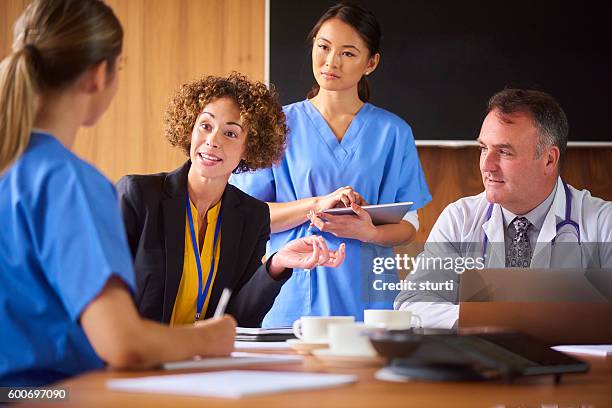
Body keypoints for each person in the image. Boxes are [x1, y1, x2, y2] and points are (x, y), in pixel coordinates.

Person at [0, 0, 235, 387]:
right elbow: (122, 343)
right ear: (98, 75)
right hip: (45, 394)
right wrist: (208, 338)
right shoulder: (68, 182)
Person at [230, 3, 431, 326]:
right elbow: (249, 217)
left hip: (370, 300)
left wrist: (368, 233)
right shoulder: (275, 125)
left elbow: (409, 226)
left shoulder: (393, 132)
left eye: (348, 53)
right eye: (323, 47)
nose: (331, 61)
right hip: (294, 294)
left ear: (371, 63)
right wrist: (317, 204)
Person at [116, 73, 346, 327]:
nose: (213, 141)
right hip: (138, 359)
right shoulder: (138, 195)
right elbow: (101, 295)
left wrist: (277, 264)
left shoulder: (253, 216)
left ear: (250, 147)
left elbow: (239, 319)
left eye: (231, 134)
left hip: (206, 361)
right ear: (189, 129)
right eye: (205, 126)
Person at [394, 89, 612, 328]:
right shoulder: (460, 219)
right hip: (481, 361)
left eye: (504, 152)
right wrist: (492, 321)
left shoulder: (603, 223)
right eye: (483, 148)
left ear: (549, 160)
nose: (486, 165)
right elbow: (412, 303)